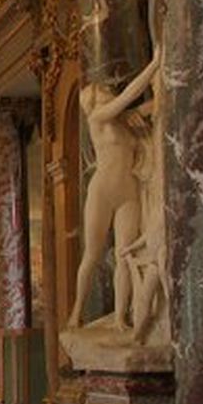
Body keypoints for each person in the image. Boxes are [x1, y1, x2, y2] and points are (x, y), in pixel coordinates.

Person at [66, 52, 160, 332]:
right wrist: (154, 62)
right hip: (103, 189)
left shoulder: (125, 121)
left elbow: (157, 103)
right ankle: (76, 313)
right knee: (92, 254)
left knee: (124, 256)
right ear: (92, 99)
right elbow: (131, 93)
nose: (109, 90)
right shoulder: (98, 117)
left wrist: (166, 78)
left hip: (128, 191)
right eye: (103, 90)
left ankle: (120, 316)